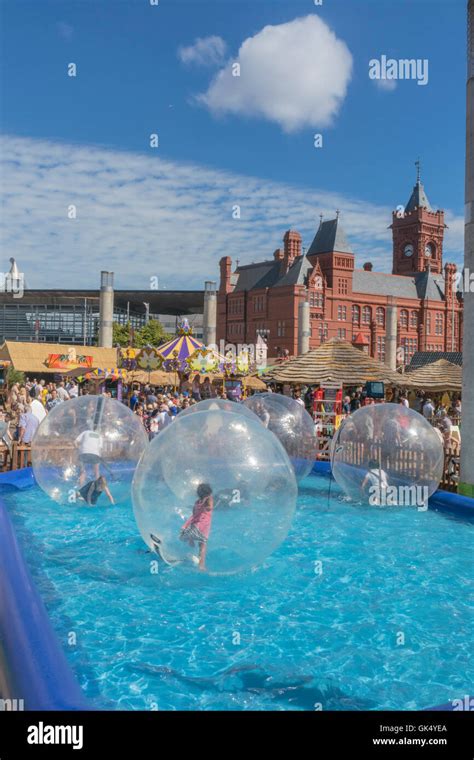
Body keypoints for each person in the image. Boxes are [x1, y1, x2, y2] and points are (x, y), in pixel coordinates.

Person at [180, 483, 214, 571]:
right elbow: (210, 508)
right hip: (203, 528)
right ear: (208, 494)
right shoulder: (208, 500)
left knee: (184, 537)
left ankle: (191, 539)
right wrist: (207, 500)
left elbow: (193, 516)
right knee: (202, 546)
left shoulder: (197, 503)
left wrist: (185, 526)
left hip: (195, 526)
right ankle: (201, 565)